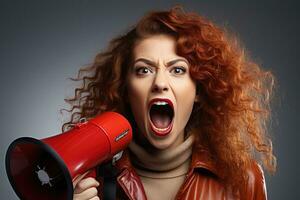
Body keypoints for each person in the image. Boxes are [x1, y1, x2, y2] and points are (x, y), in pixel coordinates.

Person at [64, 7, 276, 200]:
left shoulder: (243, 179)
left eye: (177, 70)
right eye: (144, 70)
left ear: (198, 90)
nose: (160, 83)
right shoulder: (89, 184)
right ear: (125, 90)